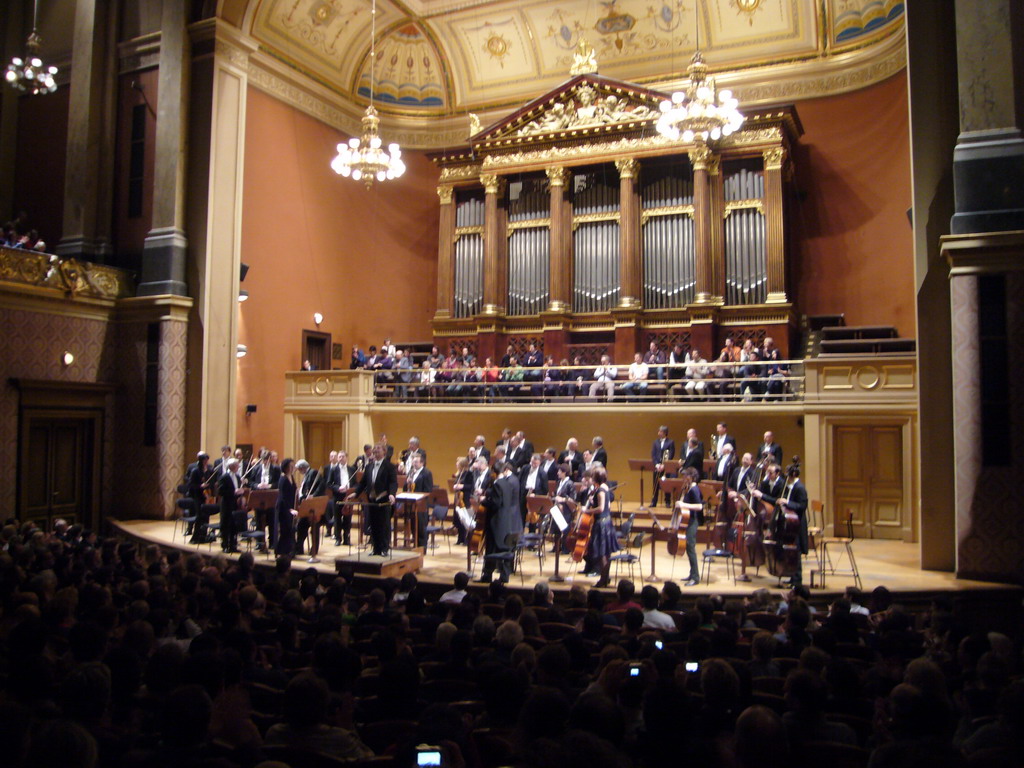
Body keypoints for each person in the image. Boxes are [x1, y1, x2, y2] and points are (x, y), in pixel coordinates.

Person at [753, 460, 808, 586]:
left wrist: (787, 502)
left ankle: (797, 580)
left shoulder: (800, 488)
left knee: (796, 552)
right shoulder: (789, 487)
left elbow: (802, 506)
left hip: (797, 524)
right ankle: (791, 576)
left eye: (788, 476)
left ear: (793, 475)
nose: (786, 478)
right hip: (788, 523)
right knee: (791, 551)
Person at [349, 444, 398, 557]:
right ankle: (375, 548)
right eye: (374, 450)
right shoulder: (369, 466)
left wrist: (392, 494)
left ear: (384, 452)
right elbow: (363, 483)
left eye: (378, 450)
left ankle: (384, 549)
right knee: (374, 524)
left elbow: (393, 482)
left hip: (384, 499)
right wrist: (355, 493)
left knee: (384, 525)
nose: (375, 452)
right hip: (372, 499)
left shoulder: (389, 466)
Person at [479, 461, 522, 583]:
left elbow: (496, 503)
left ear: (494, 472)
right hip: (506, 521)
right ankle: (504, 576)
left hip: (496, 522)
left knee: (491, 549)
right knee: (503, 550)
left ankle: (487, 576)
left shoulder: (498, 484)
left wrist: (483, 501)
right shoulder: (508, 483)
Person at [586, 466, 620, 588]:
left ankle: (603, 580)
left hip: (601, 523)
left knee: (602, 554)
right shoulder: (605, 487)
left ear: (596, 477)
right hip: (607, 522)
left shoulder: (600, 490)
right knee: (606, 553)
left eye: (592, 476)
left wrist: (588, 511)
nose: (590, 478)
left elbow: (600, 508)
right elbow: (608, 507)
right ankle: (605, 578)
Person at [675, 467, 704, 586]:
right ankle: (692, 574)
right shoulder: (689, 489)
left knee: (690, 548)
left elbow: (699, 506)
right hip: (688, 521)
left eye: (685, 476)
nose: (683, 478)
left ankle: (695, 577)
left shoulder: (694, 489)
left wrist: (683, 504)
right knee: (688, 547)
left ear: (691, 477)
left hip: (693, 522)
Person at [294, 459, 325, 559]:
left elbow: (321, 485)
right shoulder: (307, 474)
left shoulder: (313, 472)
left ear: (302, 468)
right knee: (301, 525)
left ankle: (314, 549)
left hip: (313, 505)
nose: (299, 471)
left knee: (314, 527)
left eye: (299, 469)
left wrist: (313, 495)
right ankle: (299, 548)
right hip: (306, 505)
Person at [404, 453, 433, 548]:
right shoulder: (411, 472)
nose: (414, 464)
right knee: (413, 526)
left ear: (422, 463)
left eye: (416, 462)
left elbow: (428, 490)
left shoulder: (426, 473)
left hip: (421, 504)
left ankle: (422, 548)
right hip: (411, 504)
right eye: (413, 462)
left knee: (420, 527)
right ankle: (415, 546)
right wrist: (407, 483)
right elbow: (405, 488)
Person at [217, 457, 245, 553]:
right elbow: (221, 492)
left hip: (235, 504)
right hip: (226, 504)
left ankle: (233, 545)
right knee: (226, 525)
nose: (238, 467)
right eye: (237, 465)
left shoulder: (237, 477)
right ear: (231, 466)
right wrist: (234, 492)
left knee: (234, 525)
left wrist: (241, 491)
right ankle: (225, 545)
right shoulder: (224, 477)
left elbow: (238, 490)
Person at [275, 458, 298, 557]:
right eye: (291, 466)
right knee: (285, 529)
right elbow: (282, 497)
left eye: (293, 466)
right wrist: (290, 509)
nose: (293, 468)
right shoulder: (283, 479)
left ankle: (288, 550)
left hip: (290, 505)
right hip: (283, 507)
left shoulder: (291, 477)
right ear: (286, 467)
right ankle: (281, 551)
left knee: (289, 529)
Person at [651, 425, 676, 507]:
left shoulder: (670, 442)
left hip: (666, 467)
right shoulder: (655, 442)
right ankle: (654, 502)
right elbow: (653, 454)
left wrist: (664, 465)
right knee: (655, 485)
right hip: (657, 467)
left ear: (665, 433)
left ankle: (667, 502)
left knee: (666, 484)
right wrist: (657, 464)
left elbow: (671, 454)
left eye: (660, 431)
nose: (658, 433)